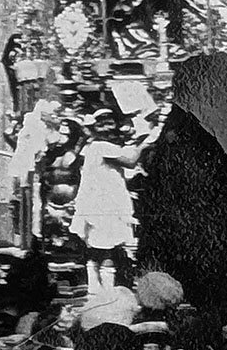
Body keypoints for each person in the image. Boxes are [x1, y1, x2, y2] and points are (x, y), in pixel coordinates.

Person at [69, 108, 161, 295]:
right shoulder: (102, 146)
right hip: (104, 205)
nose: (107, 128)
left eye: (110, 123)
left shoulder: (94, 146)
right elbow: (130, 161)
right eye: (103, 124)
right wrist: (145, 143)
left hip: (97, 203)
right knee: (107, 250)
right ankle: (106, 292)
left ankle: (95, 290)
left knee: (96, 250)